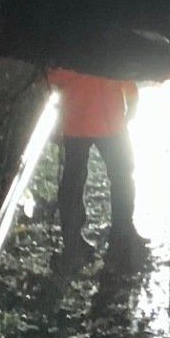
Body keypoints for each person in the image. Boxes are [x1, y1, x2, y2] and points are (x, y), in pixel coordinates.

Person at [47, 66, 146, 270]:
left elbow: (52, 78)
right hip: (110, 122)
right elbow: (123, 69)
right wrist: (132, 104)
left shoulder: (70, 51)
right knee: (122, 178)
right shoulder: (110, 50)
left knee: (72, 182)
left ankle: (73, 245)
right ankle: (121, 238)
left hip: (76, 120)